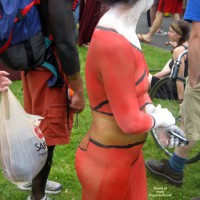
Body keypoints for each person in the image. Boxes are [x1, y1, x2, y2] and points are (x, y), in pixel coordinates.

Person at [75, 0, 186, 199]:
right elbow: (129, 122)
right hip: (108, 165)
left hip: (129, 158)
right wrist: (161, 119)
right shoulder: (113, 42)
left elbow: (139, 90)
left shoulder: (124, 29)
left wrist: (153, 114)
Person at [19, 0, 85, 200]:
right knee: (45, 136)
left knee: (36, 128)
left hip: (35, 64)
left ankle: (34, 181)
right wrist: (78, 89)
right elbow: (65, 42)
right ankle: (37, 195)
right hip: (49, 71)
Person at [145, 0, 200, 190]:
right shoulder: (179, 48)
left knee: (189, 120)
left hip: (172, 84)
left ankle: (174, 168)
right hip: (167, 83)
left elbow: (197, 35)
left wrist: (192, 83)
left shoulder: (179, 51)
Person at [148, 19, 190, 102]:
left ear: (179, 35)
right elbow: (168, 70)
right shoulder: (188, 46)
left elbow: (179, 78)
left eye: (171, 32)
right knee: (147, 77)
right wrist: (153, 78)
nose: (168, 33)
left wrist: (181, 101)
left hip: (171, 90)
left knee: (142, 76)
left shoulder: (178, 51)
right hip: (186, 88)